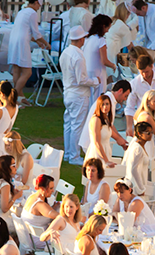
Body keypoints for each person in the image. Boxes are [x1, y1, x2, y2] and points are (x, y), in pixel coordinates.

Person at [61, 28, 100, 165]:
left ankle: (68, 154)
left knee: (69, 124)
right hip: (78, 94)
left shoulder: (65, 52)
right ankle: (74, 156)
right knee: (76, 125)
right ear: (81, 39)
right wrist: (95, 81)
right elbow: (81, 80)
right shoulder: (77, 56)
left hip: (68, 93)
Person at [7, 0, 49, 101]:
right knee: (27, 72)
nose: (39, 7)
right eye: (39, 4)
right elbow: (36, 33)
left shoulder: (22, 11)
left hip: (14, 41)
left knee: (17, 70)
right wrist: (47, 44)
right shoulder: (32, 13)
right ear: (35, 2)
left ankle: (20, 98)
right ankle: (13, 97)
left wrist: (38, 42)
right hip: (22, 43)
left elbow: (26, 31)